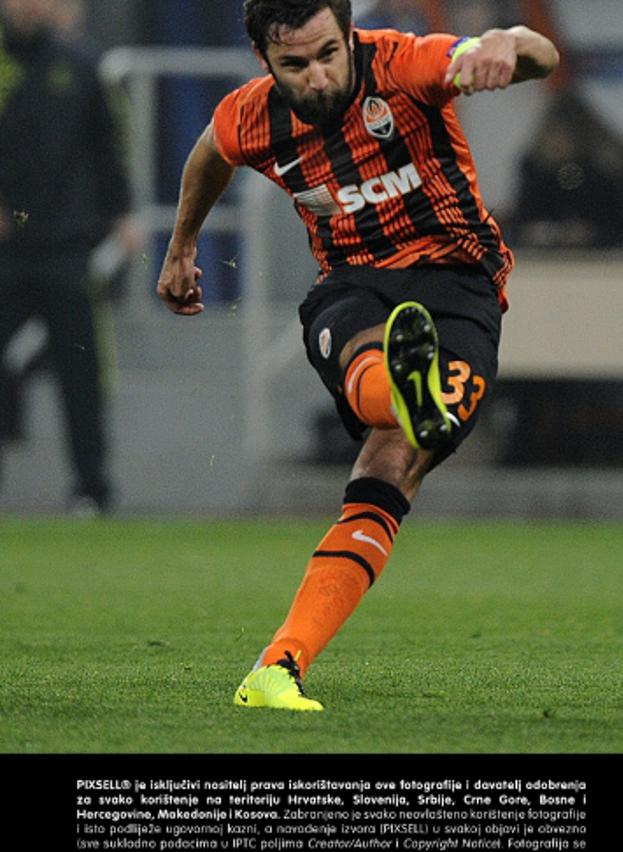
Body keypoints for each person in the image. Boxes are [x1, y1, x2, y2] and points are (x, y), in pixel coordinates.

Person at [156, 0, 557, 711]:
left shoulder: (402, 64)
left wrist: (503, 43)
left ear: (348, 35)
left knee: (388, 465)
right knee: (387, 395)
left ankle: (278, 663)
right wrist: (183, 244)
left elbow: (540, 55)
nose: (317, 76)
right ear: (265, 62)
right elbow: (208, 156)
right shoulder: (253, 115)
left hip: (458, 283)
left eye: (328, 54)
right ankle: (408, 393)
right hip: (350, 284)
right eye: (294, 65)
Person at [0, 0, 142, 514]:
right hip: (6, 252)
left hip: (67, 246)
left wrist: (121, 213)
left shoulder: (81, 63)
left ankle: (92, 491)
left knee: (80, 374)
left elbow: (107, 143)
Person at [512, 89, 623, 248]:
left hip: (608, 260)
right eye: (553, 134)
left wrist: (593, 233)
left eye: (564, 134)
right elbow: (523, 223)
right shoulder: (537, 172)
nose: (557, 143)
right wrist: (542, 232)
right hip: (548, 261)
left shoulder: (608, 173)